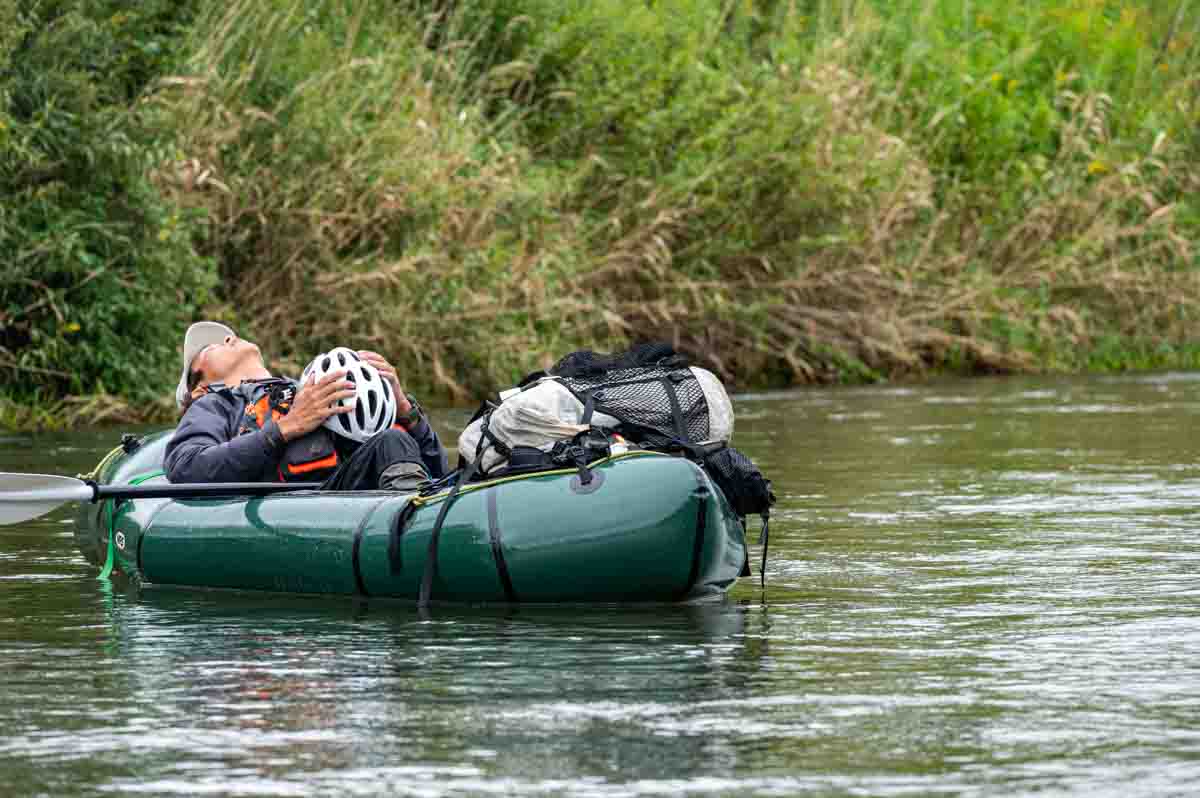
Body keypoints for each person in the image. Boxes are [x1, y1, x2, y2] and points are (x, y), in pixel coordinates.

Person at [166, 321, 447, 491]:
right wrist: (286, 427)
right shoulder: (213, 404)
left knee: (394, 440)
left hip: (356, 493)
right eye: (210, 348)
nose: (228, 338)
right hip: (294, 510)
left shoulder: (308, 389)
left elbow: (439, 472)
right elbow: (185, 468)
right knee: (392, 442)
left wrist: (405, 410)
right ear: (201, 387)